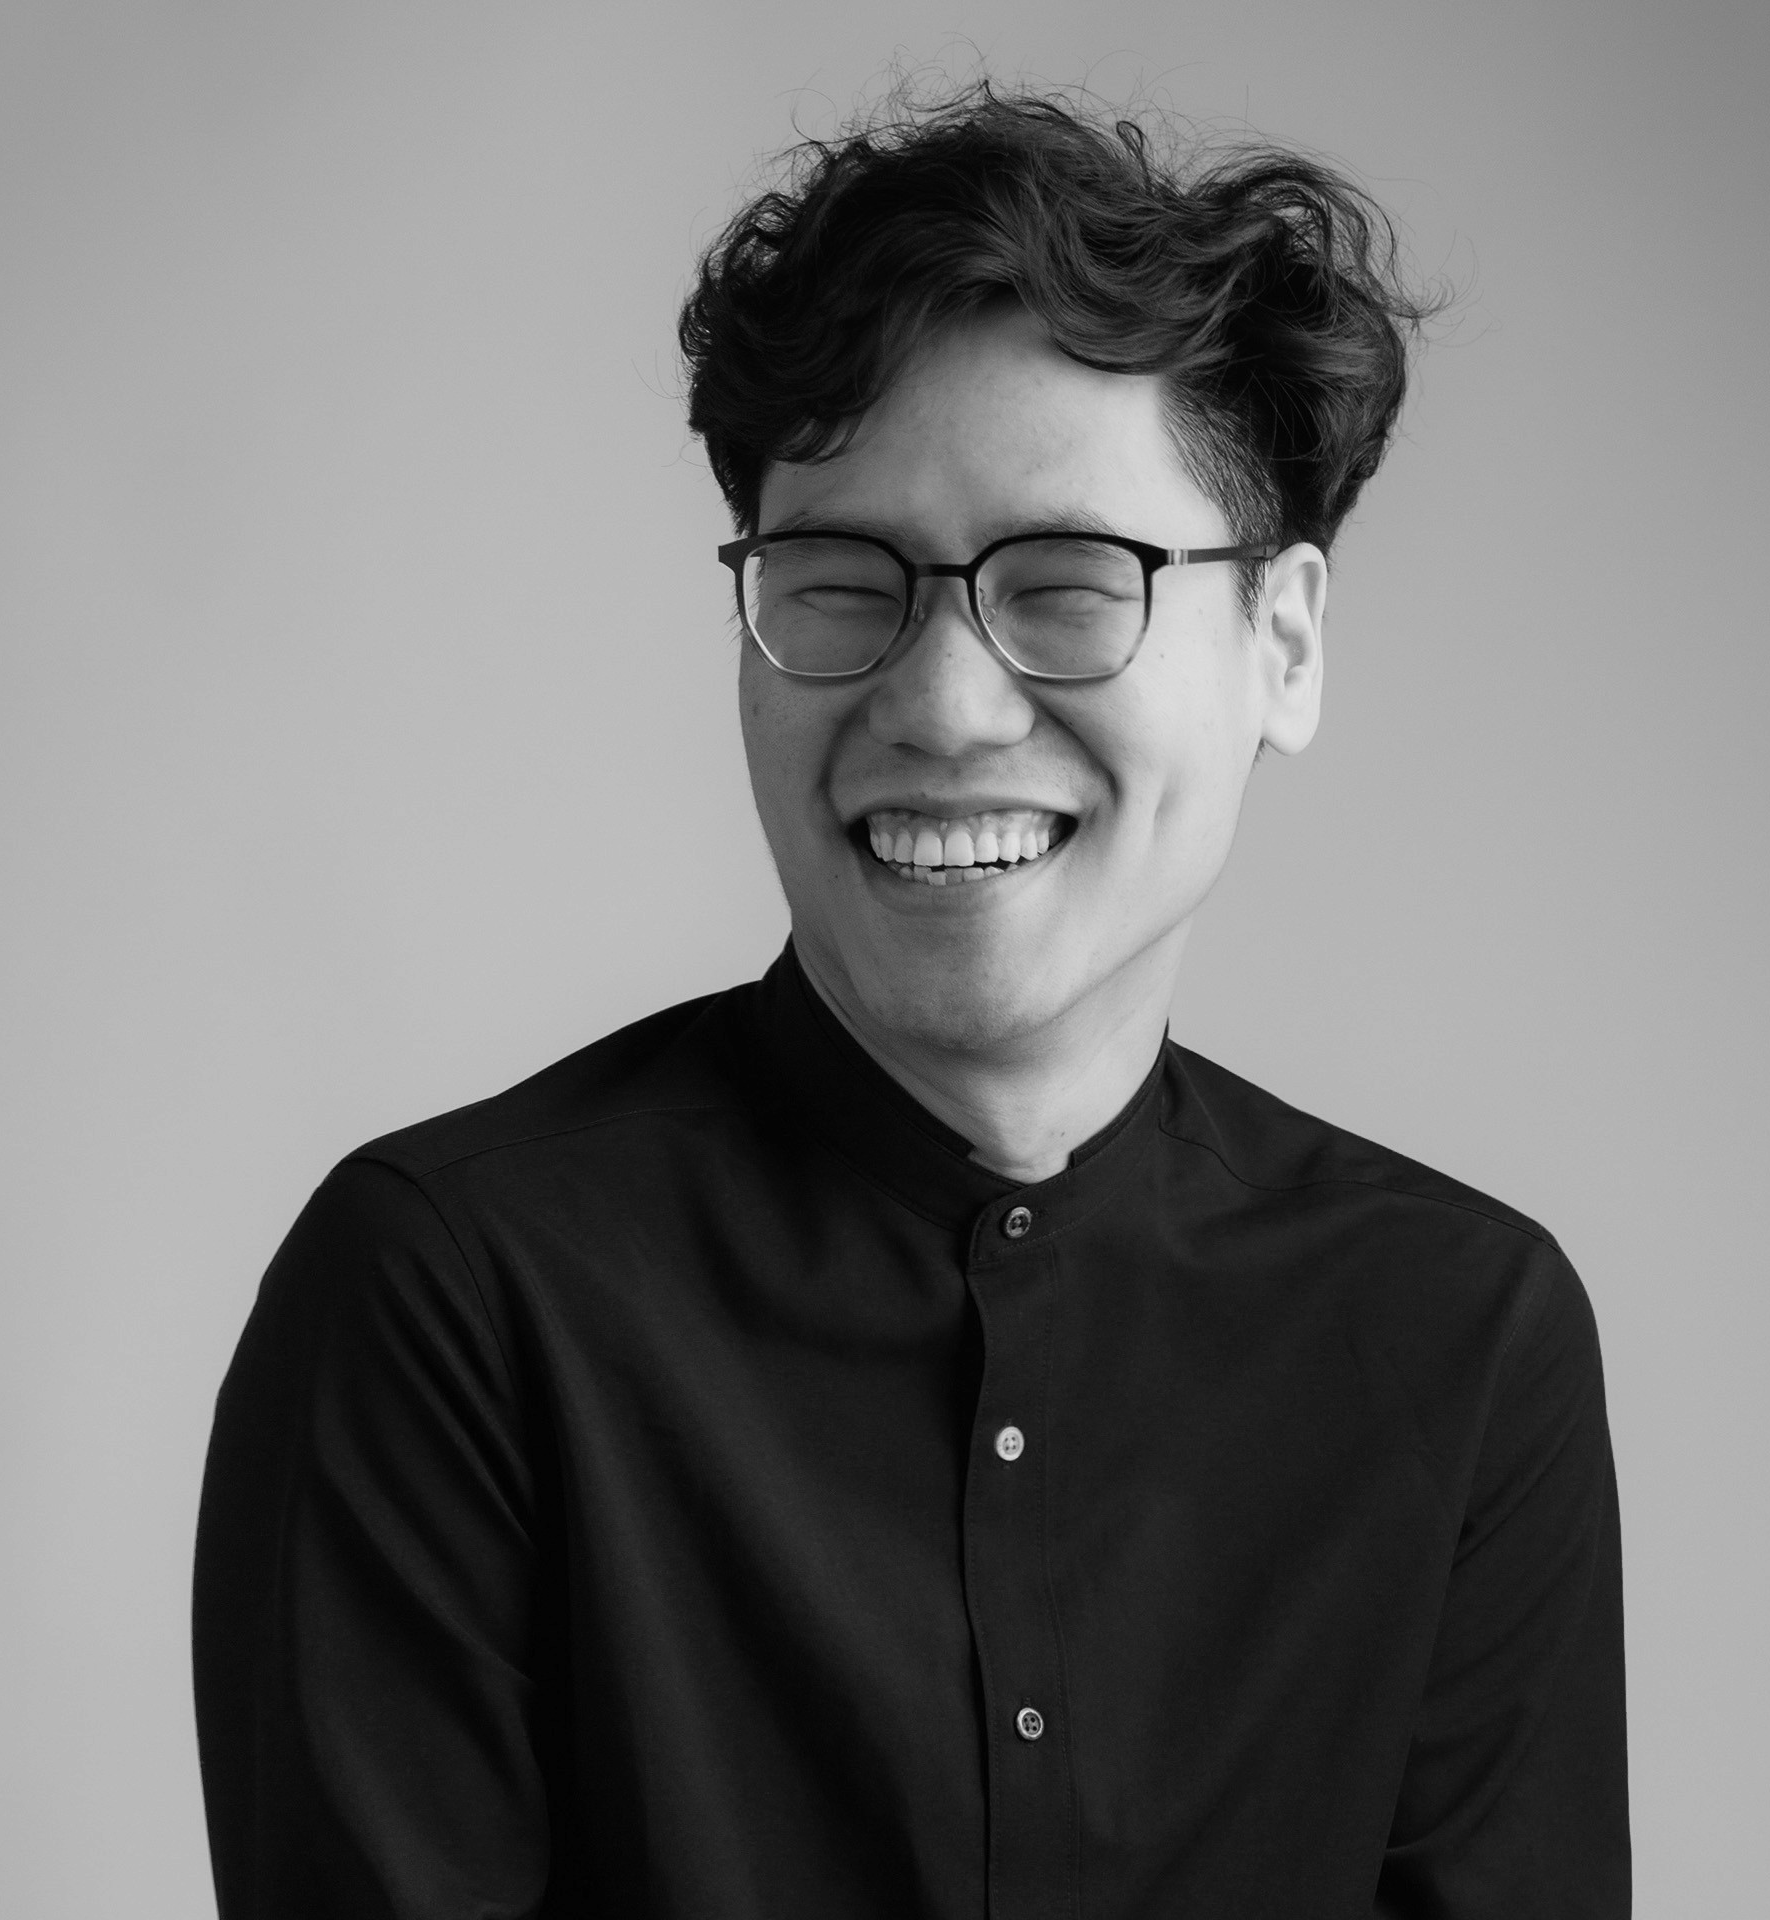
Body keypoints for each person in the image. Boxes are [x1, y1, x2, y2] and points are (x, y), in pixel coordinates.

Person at [193, 86, 1629, 1919]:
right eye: (839, 583)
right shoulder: (450, 1299)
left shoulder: (1463, 1333)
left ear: (1281, 645)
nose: (943, 706)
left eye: (1067, 585)